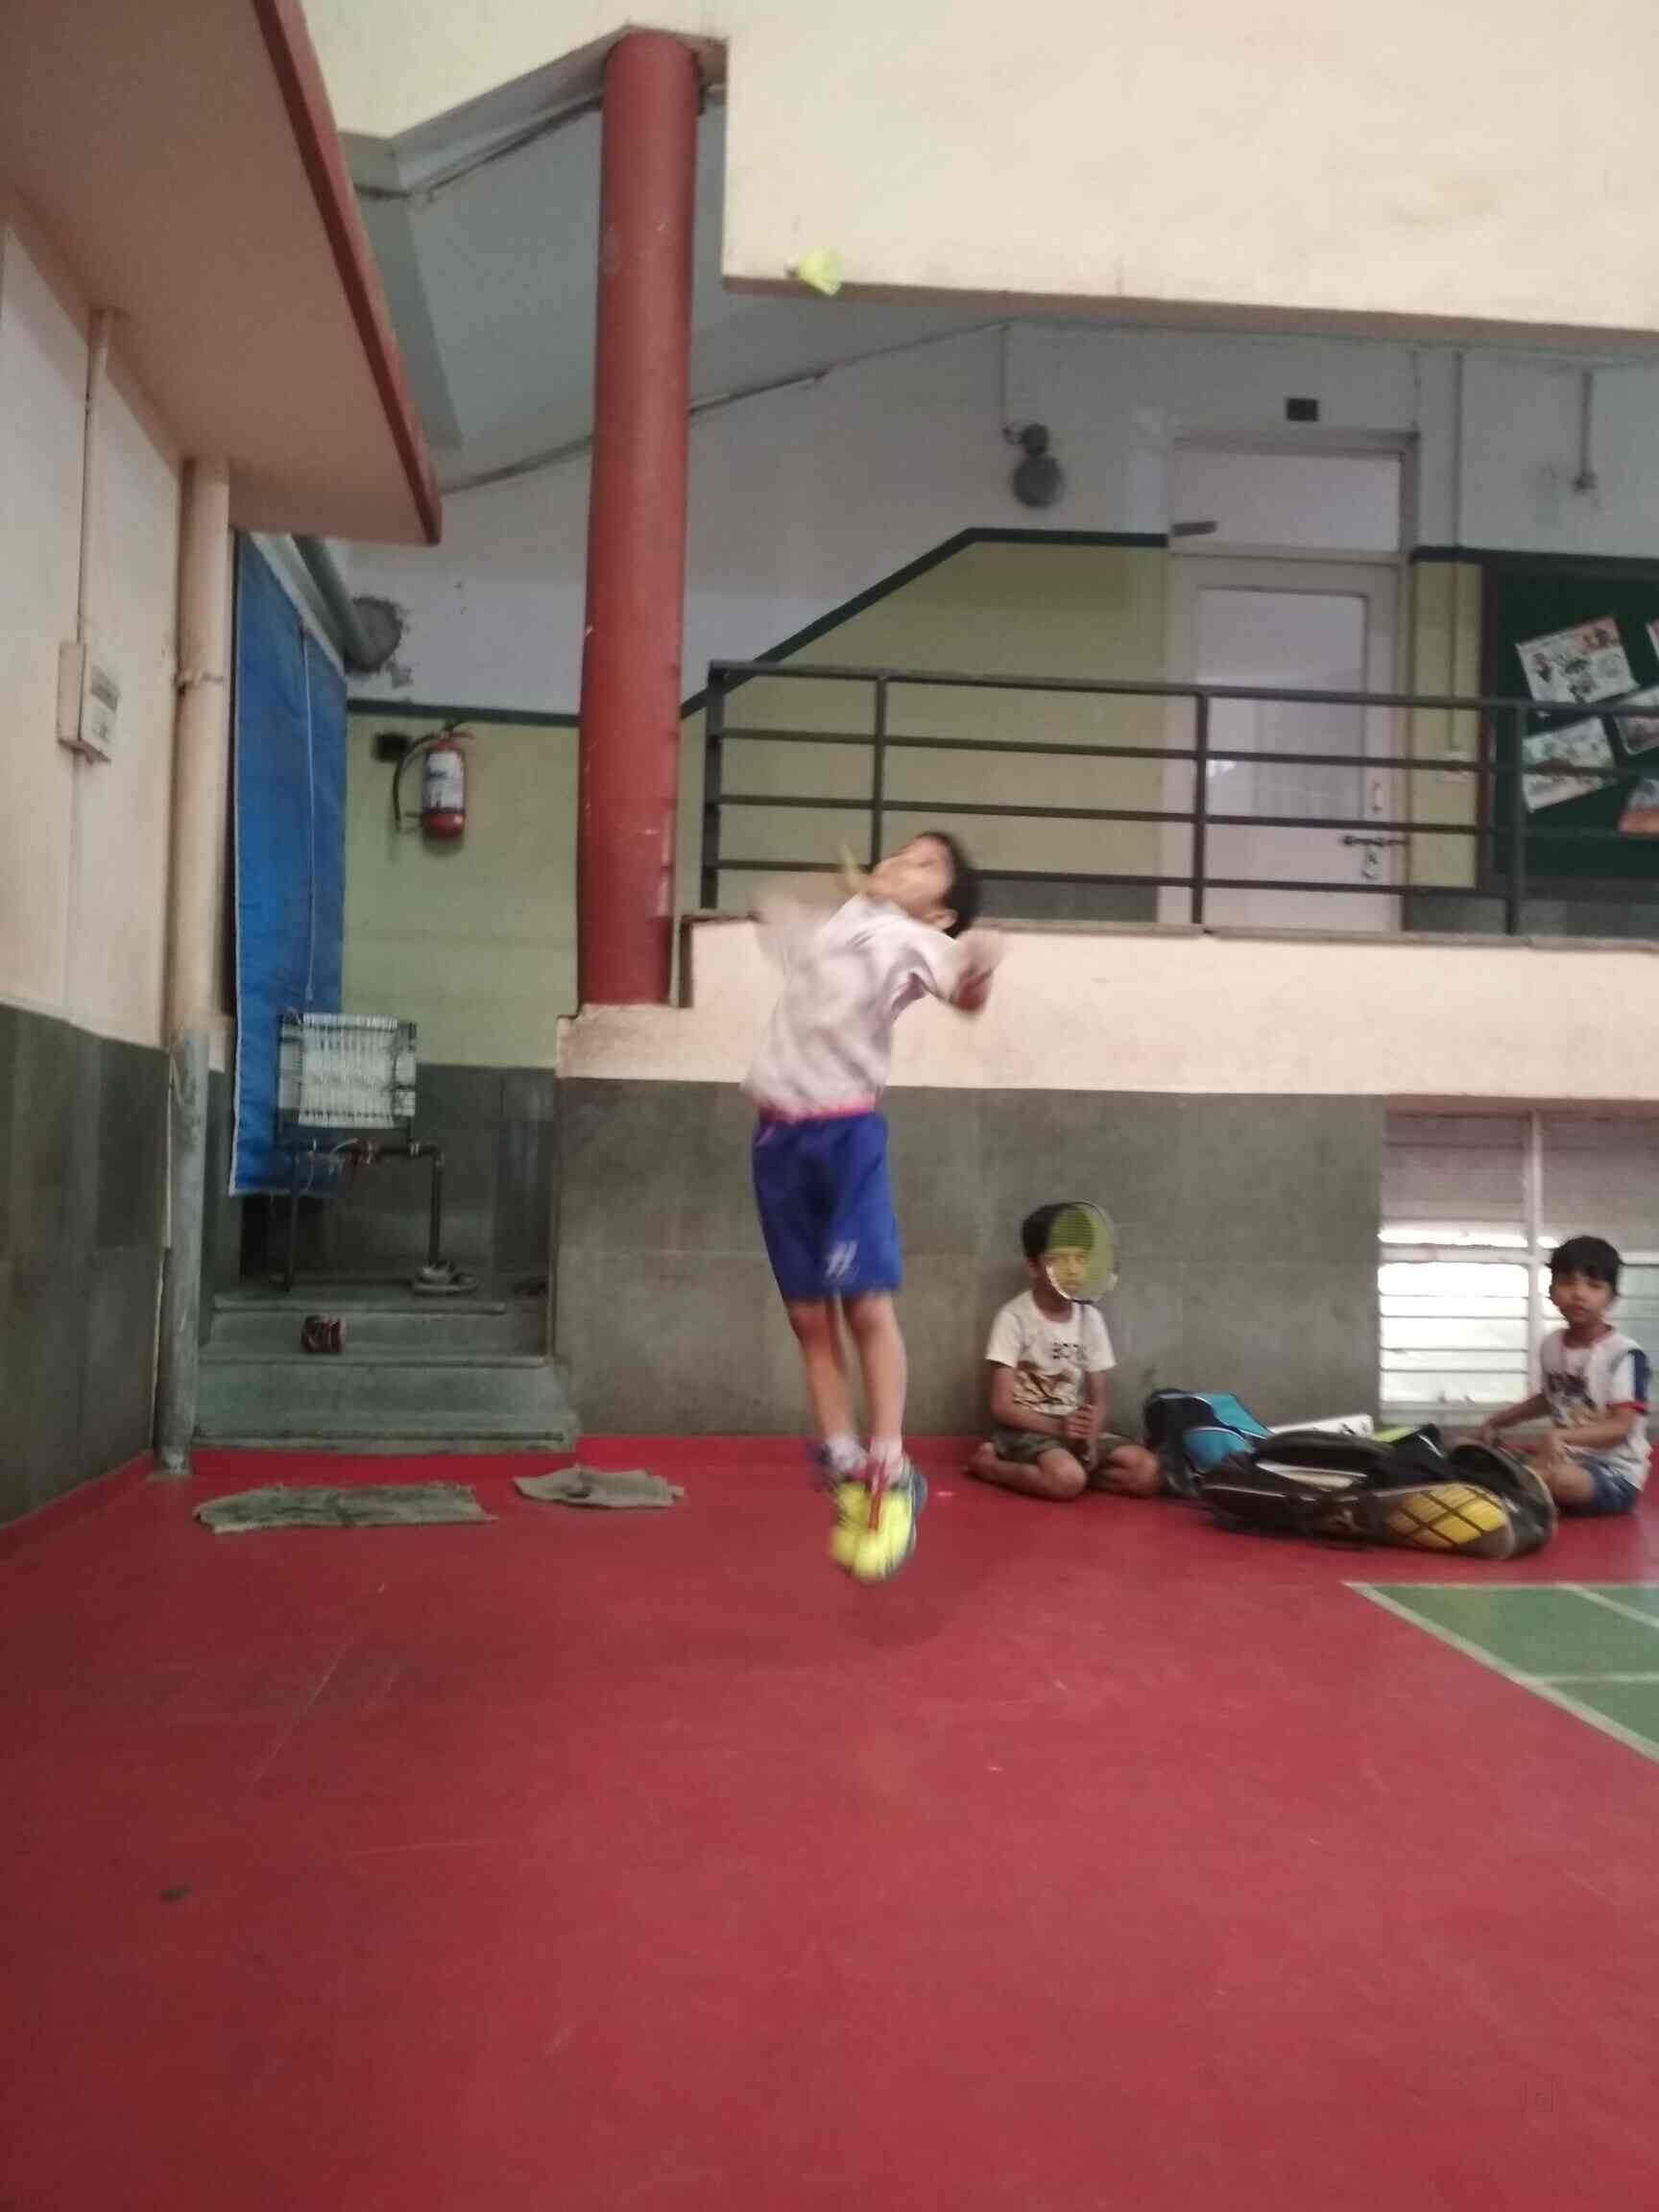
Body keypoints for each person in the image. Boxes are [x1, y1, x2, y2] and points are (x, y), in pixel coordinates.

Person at [747, 831, 1003, 1579]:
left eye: (926, 865)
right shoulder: (851, 917)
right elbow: (790, 938)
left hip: (844, 1137)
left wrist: (978, 973)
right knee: (807, 1318)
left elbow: (963, 993)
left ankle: (891, 1468)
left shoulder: (912, 939)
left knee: (863, 1305)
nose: (901, 862)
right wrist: (790, 914)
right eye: (902, 851)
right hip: (776, 1140)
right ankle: (843, 1461)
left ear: (942, 912)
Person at [968, 1204, 1162, 1503]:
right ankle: (990, 1466)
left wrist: (1090, 1439)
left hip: (1074, 1431)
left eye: (1080, 1259)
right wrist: (1058, 1428)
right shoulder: (1014, 1318)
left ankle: (1073, 1474)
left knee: (1147, 1472)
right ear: (1033, 1267)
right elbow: (1001, 1407)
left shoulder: (1091, 1319)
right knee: (1066, 1480)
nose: (1072, 1270)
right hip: (1025, 1430)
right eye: (1057, 1259)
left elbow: (1098, 1399)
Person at [1477, 1235, 1650, 1515]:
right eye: (1568, 1282)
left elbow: (1620, 1426)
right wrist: (1496, 1421)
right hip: (1564, 1460)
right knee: (1477, 1453)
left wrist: (1561, 1436)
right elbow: (1549, 1399)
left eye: (1594, 1285)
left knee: (1557, 1479)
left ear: (1612, 1299)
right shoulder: (1551, 1345)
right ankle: (1521, 1490)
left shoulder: (1624, 1355)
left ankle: (1512, 1500)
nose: (1579, 1293)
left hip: (1615, 1475)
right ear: (1552, 1292)